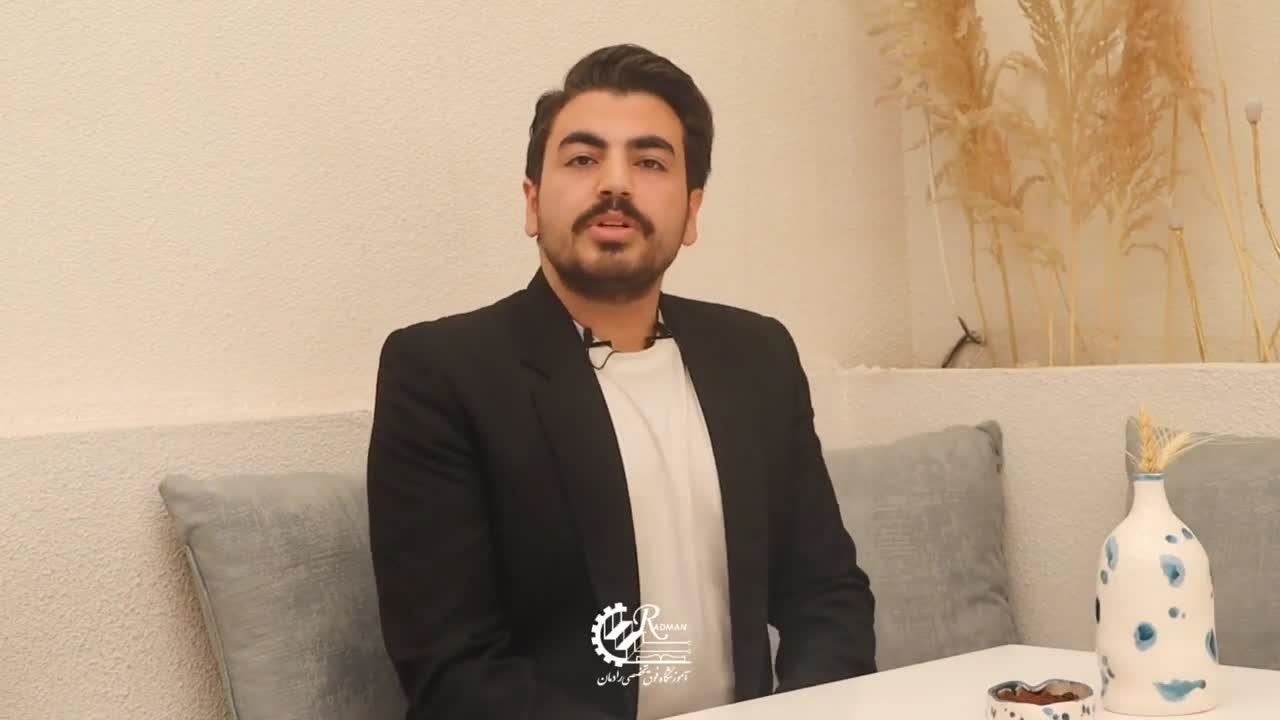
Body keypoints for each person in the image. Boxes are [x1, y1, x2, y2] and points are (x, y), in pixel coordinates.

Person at [366, 43, 877, 720]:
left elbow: (827, 595)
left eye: (650, 162)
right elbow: (451, 669)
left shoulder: (758, 356)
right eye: (582, 159)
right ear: (532, 202)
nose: (615, 184)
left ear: (692, 211)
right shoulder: (442, 373)